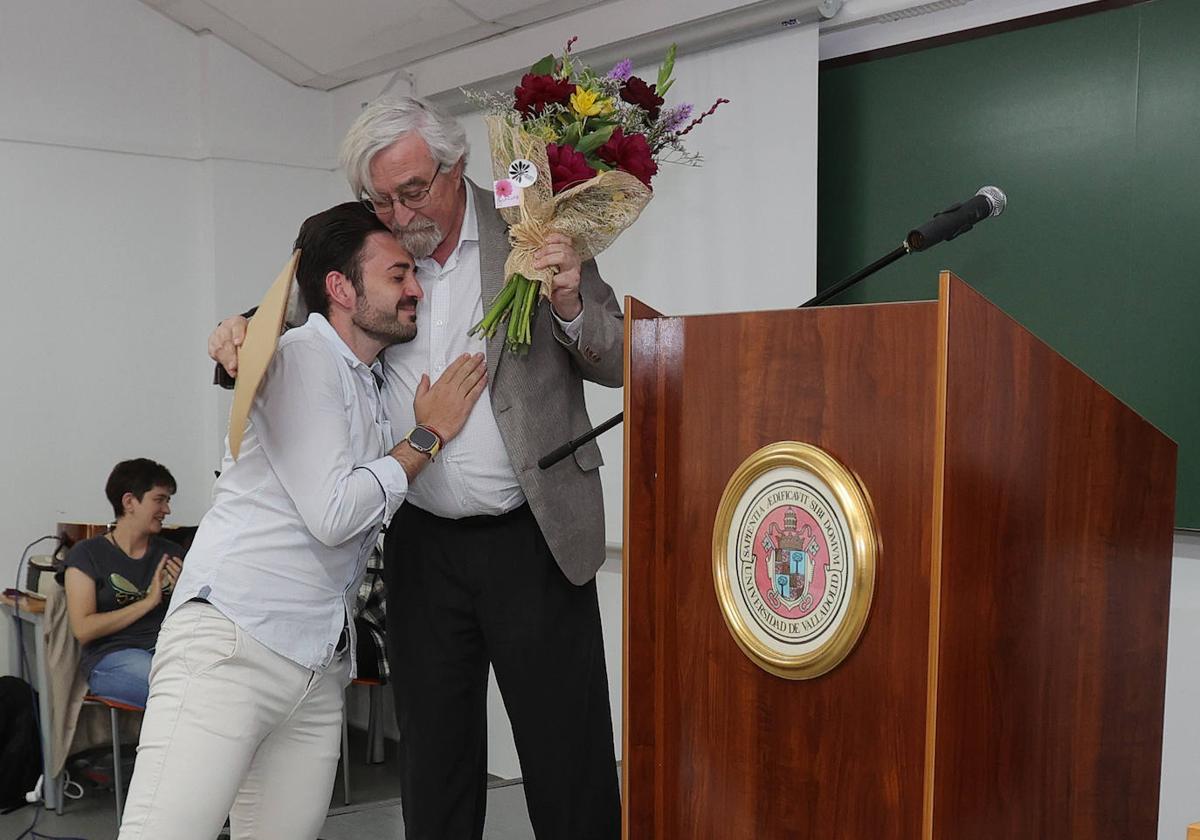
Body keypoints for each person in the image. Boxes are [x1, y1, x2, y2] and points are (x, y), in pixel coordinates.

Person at [210, 96, 623, 840]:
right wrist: (237, 333)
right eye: (379, 198)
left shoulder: (533, 229)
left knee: (569, 757)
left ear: (457, 168)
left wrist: (565, 303)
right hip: (421, 541)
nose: (397, 214)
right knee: (434, 760)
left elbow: (618, 356)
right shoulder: (371, 254)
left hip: (536, 535)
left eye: (411, 191)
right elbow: (293, 326)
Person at [118, 202, 487, 840]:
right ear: (341, 288)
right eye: (398, 275)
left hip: (314, 670)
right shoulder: (303, 356)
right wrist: (429, 436)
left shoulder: (365, 380)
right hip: (232, 648)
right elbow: (335, 513)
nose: (416, 289)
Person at [63, 458, 183, 708]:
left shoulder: (172, 553)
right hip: (113, 658)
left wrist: (186, 591)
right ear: (129, 502)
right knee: (173, 691)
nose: (167, 510)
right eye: (159, 500)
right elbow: (84, 630)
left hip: (169, 650)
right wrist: (148, 602)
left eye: (168, 501)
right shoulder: (87, 554)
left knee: (217, 684)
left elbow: (199, 616)